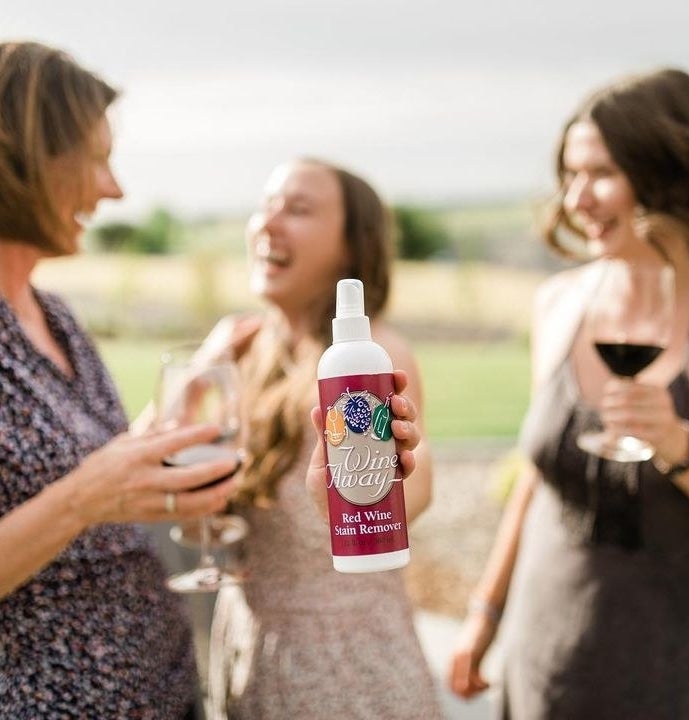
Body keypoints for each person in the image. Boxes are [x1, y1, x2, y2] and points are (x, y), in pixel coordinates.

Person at [447, 68, 689, 718]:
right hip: (548, 660)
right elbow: (533, 479)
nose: (576, 197)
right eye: (569, 173)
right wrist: (486, 611)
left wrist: (680, 446)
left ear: (669, 172)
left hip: (682, 677)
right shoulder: (559, 302)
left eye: (602, 173)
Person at [0, 41, 246, 719]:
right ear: (24, 155)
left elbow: (91, 471)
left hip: (161, 689)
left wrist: (195, 389)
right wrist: (82, 499)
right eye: (97, 159)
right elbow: (84, 491)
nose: (115, 189)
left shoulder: (53, 314)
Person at [202, 158, 443, 719]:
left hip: (346, 673)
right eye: (267, 205)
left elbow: (416, 480)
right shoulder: (244, 350)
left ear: (350, 247)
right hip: (248, 653)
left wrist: (396, 485)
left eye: (299, 208)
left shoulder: (375, 359)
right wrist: (198, 375)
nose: (270, 222)